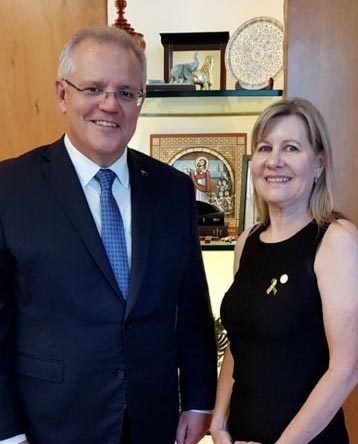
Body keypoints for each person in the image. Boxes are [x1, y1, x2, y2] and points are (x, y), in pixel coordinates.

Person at [0, 26, 217, 444]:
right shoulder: (10, 188)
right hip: (49, 425)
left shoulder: (173, 190)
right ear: (62, 94)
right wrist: (7, 433)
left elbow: (192, 305)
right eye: (94, 88)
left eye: (126, 92)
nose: (109, 105)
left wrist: (197, 400)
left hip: (155, 422)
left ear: (140, 103)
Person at [209, 98, 358, 444]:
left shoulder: (336, 240)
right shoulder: (247, 243)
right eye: (265, 147)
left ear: (319, 163)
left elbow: (346, 370)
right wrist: (218, 424)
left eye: (291, 148)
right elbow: (238, 346)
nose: (274, 160)